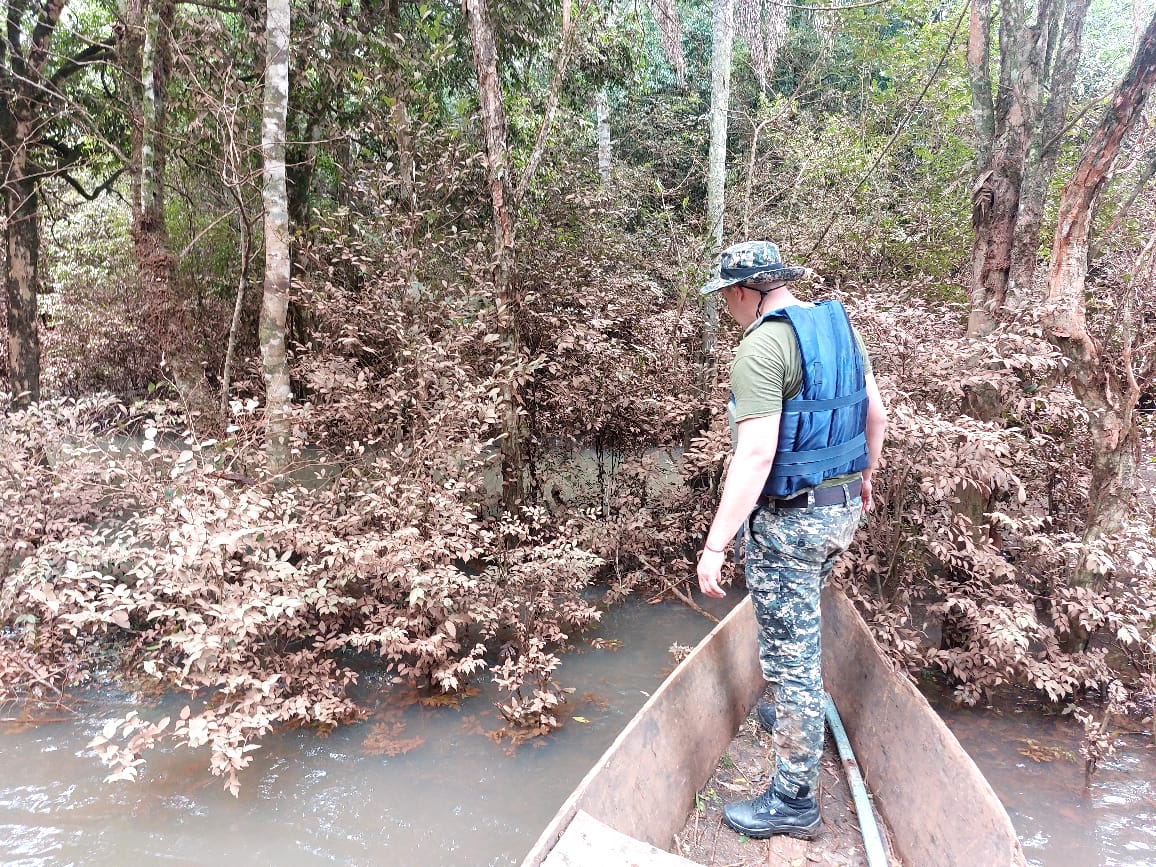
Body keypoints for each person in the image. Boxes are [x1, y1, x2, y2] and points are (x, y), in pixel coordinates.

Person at [696, 240, 887, 840]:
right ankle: (794, 719)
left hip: (792, 524)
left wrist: (716, 543)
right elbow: (876, 417)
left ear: (747, 290)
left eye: (727, 293)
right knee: (803, 623)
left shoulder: (760, 347)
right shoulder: (838, 330)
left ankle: (793, 801)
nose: (726, 304)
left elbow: (755, 455)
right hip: (841, 511)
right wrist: (866, 482)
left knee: (791, 661)